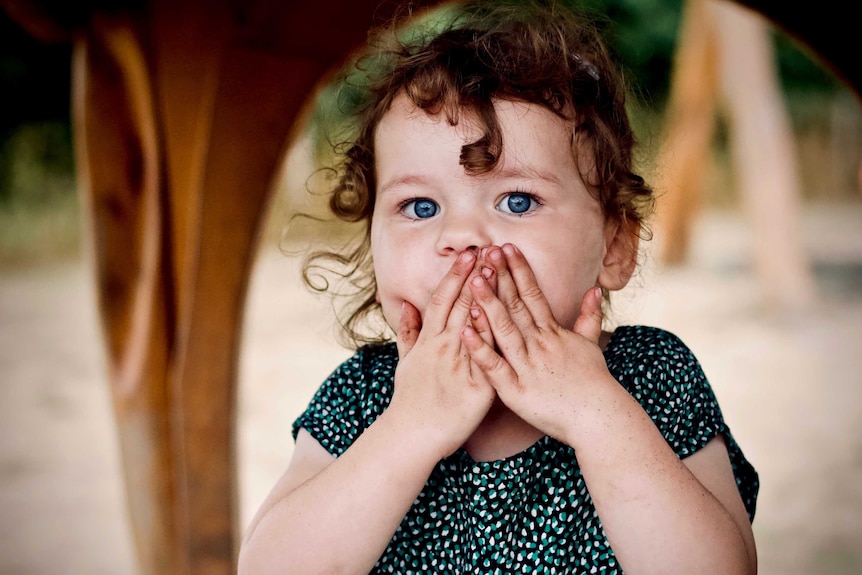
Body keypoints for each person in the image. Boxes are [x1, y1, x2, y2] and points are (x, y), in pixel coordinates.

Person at [238, 1, 759, 573]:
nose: (461, 236)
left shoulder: (650, 375)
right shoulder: (365, 397)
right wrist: (410, 427)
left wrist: (594, 413)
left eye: (518, 201)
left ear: (613, 246)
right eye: (420, 206)